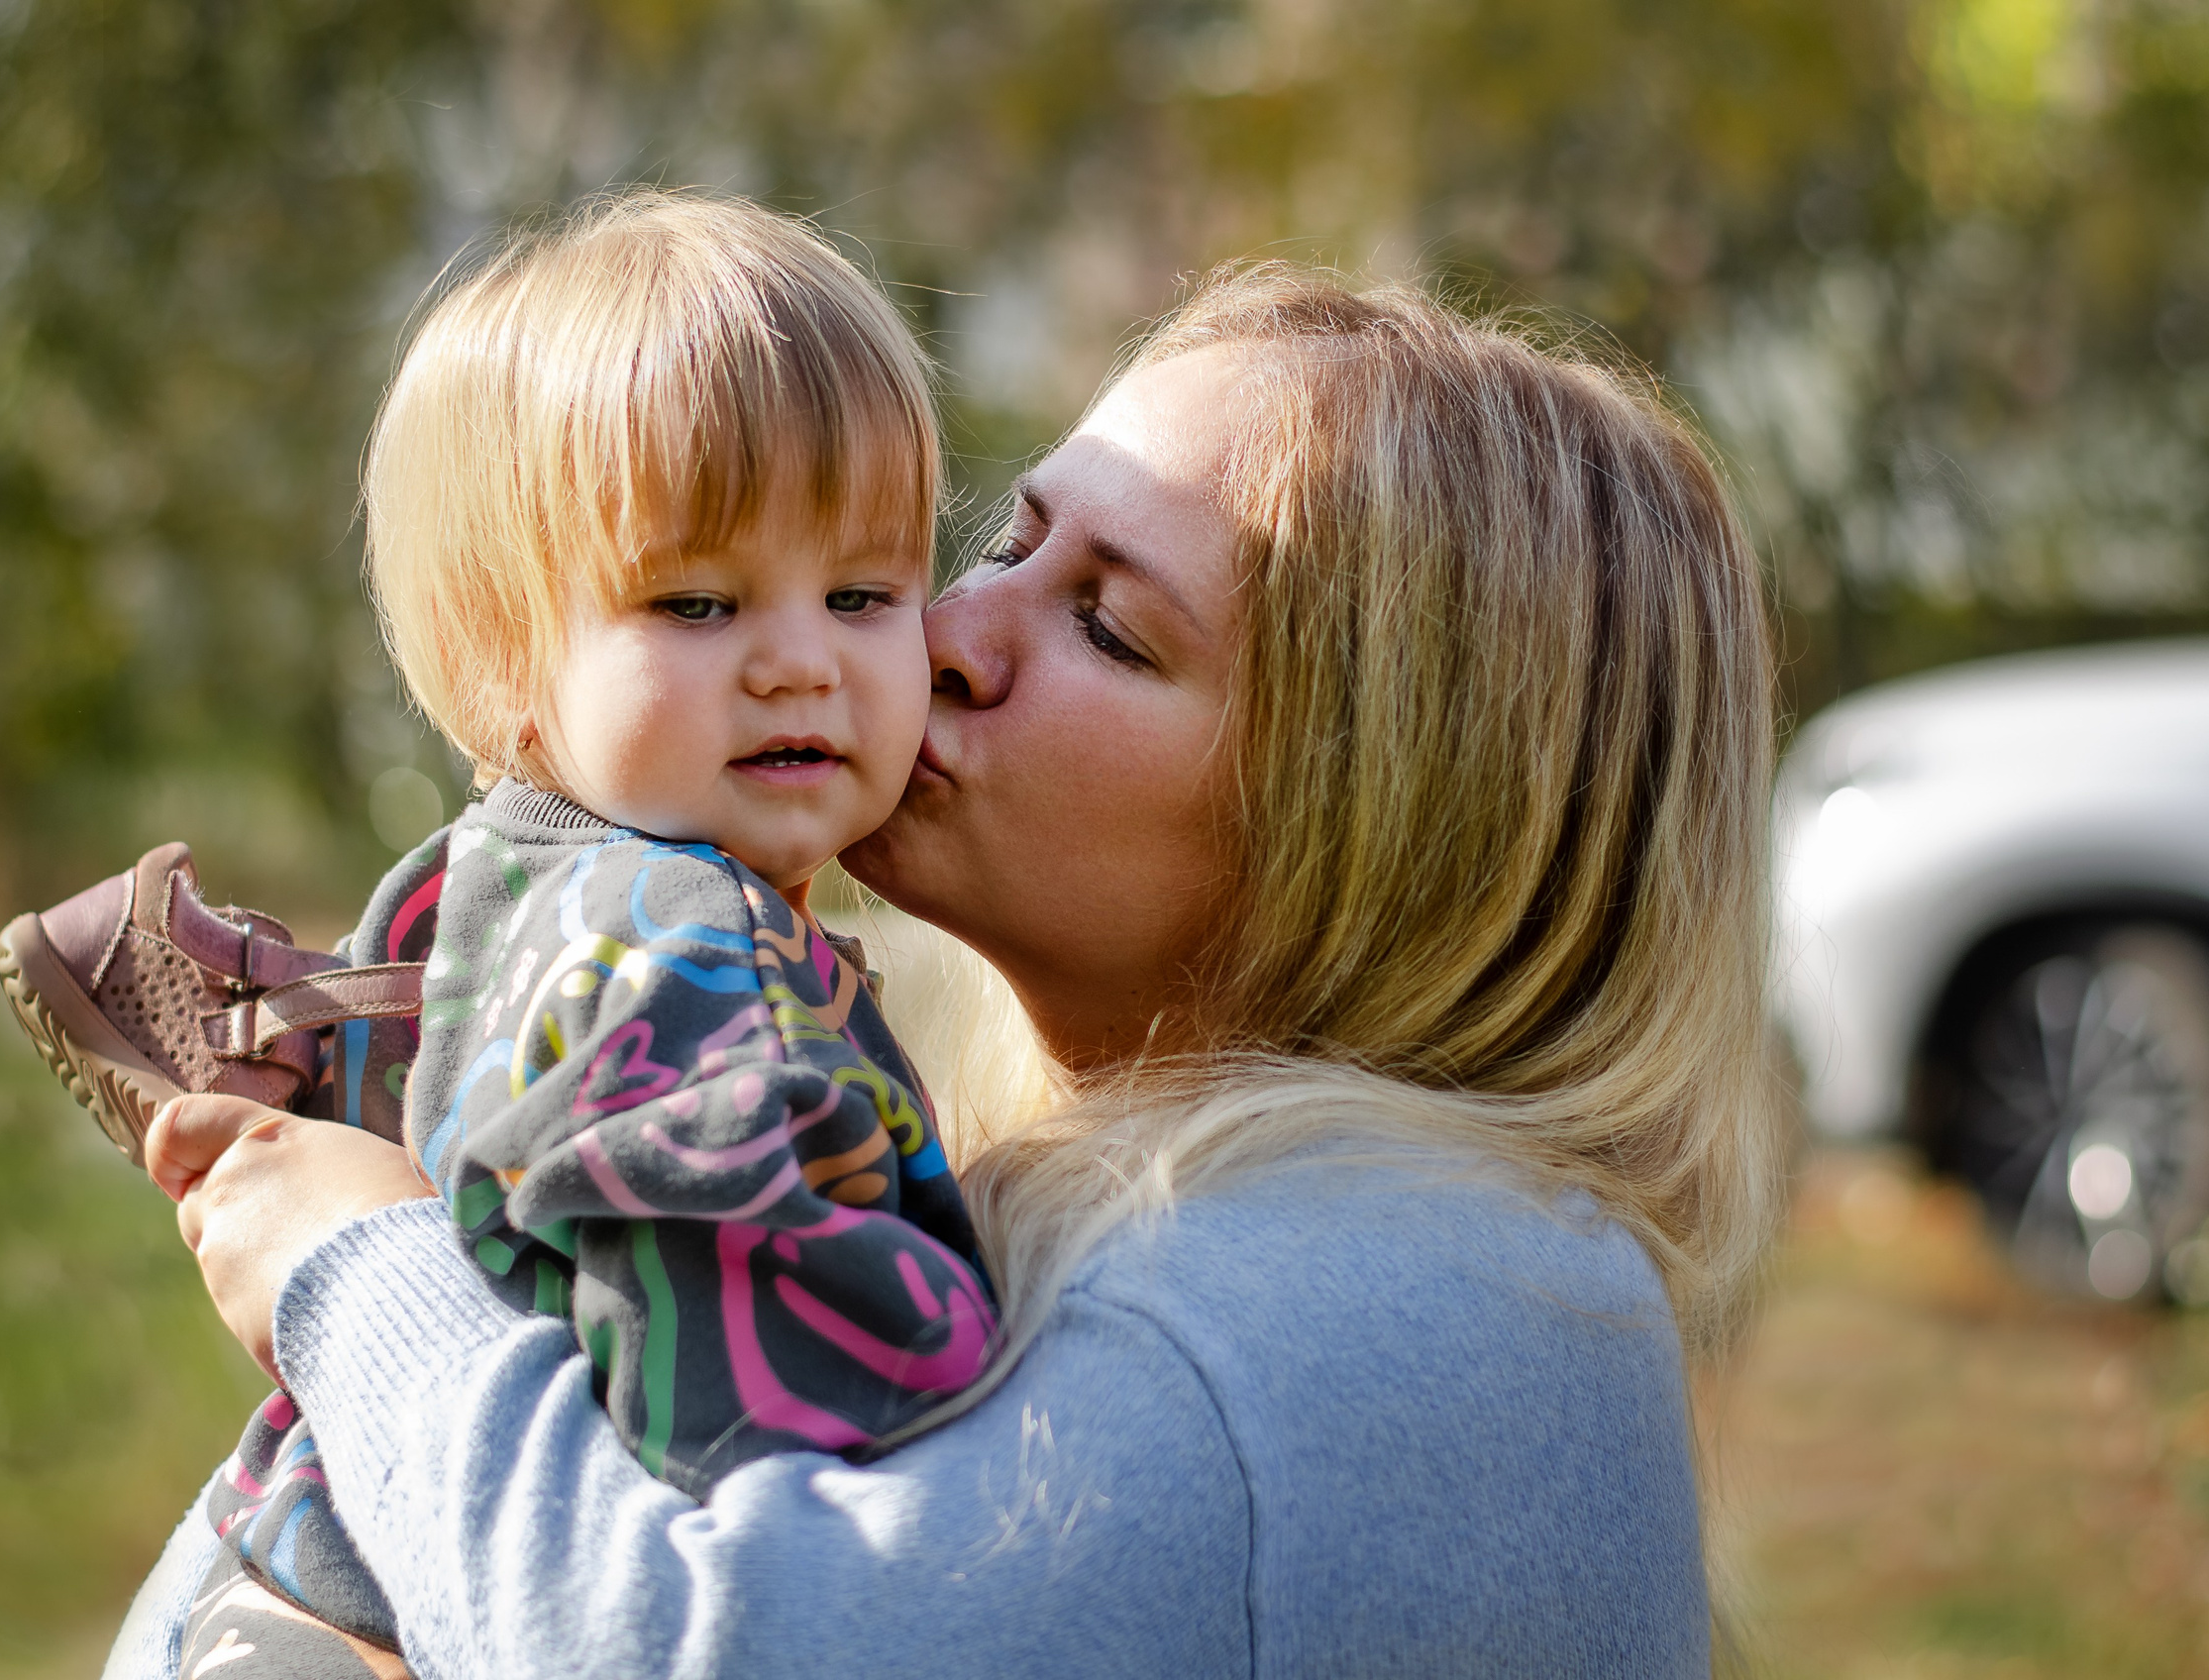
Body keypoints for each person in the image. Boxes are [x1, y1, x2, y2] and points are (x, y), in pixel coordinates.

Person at [110, 260, 1787, 1678]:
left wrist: (360, 1268)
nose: (940, 642)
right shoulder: (1338, 1231)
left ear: (1398, 827)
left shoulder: (1405, 1305)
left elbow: (691, 1642)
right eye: (1003, 544)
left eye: (1112, 628)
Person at [21, 192, 999, 1669]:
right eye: (696, 601)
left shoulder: (504, 877)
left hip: (292, 1571)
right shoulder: (671, 937)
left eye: (862, 593)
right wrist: (991, 1363)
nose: (801, 659)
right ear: (505, 670)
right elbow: (759, 1404)